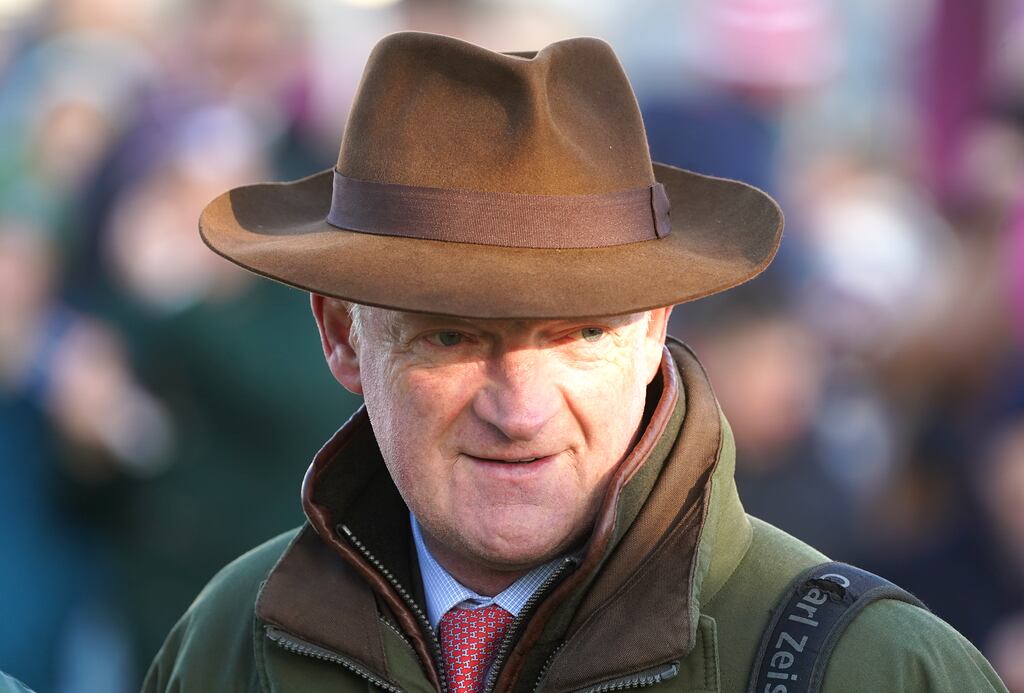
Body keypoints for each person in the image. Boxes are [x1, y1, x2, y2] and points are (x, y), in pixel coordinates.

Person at [144, 32, 1006, 692]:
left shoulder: (878, 671)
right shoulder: (226, 646)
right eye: (452, 337)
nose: (521, 409)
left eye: (581, 333)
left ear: (654, 330)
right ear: (341, 335)